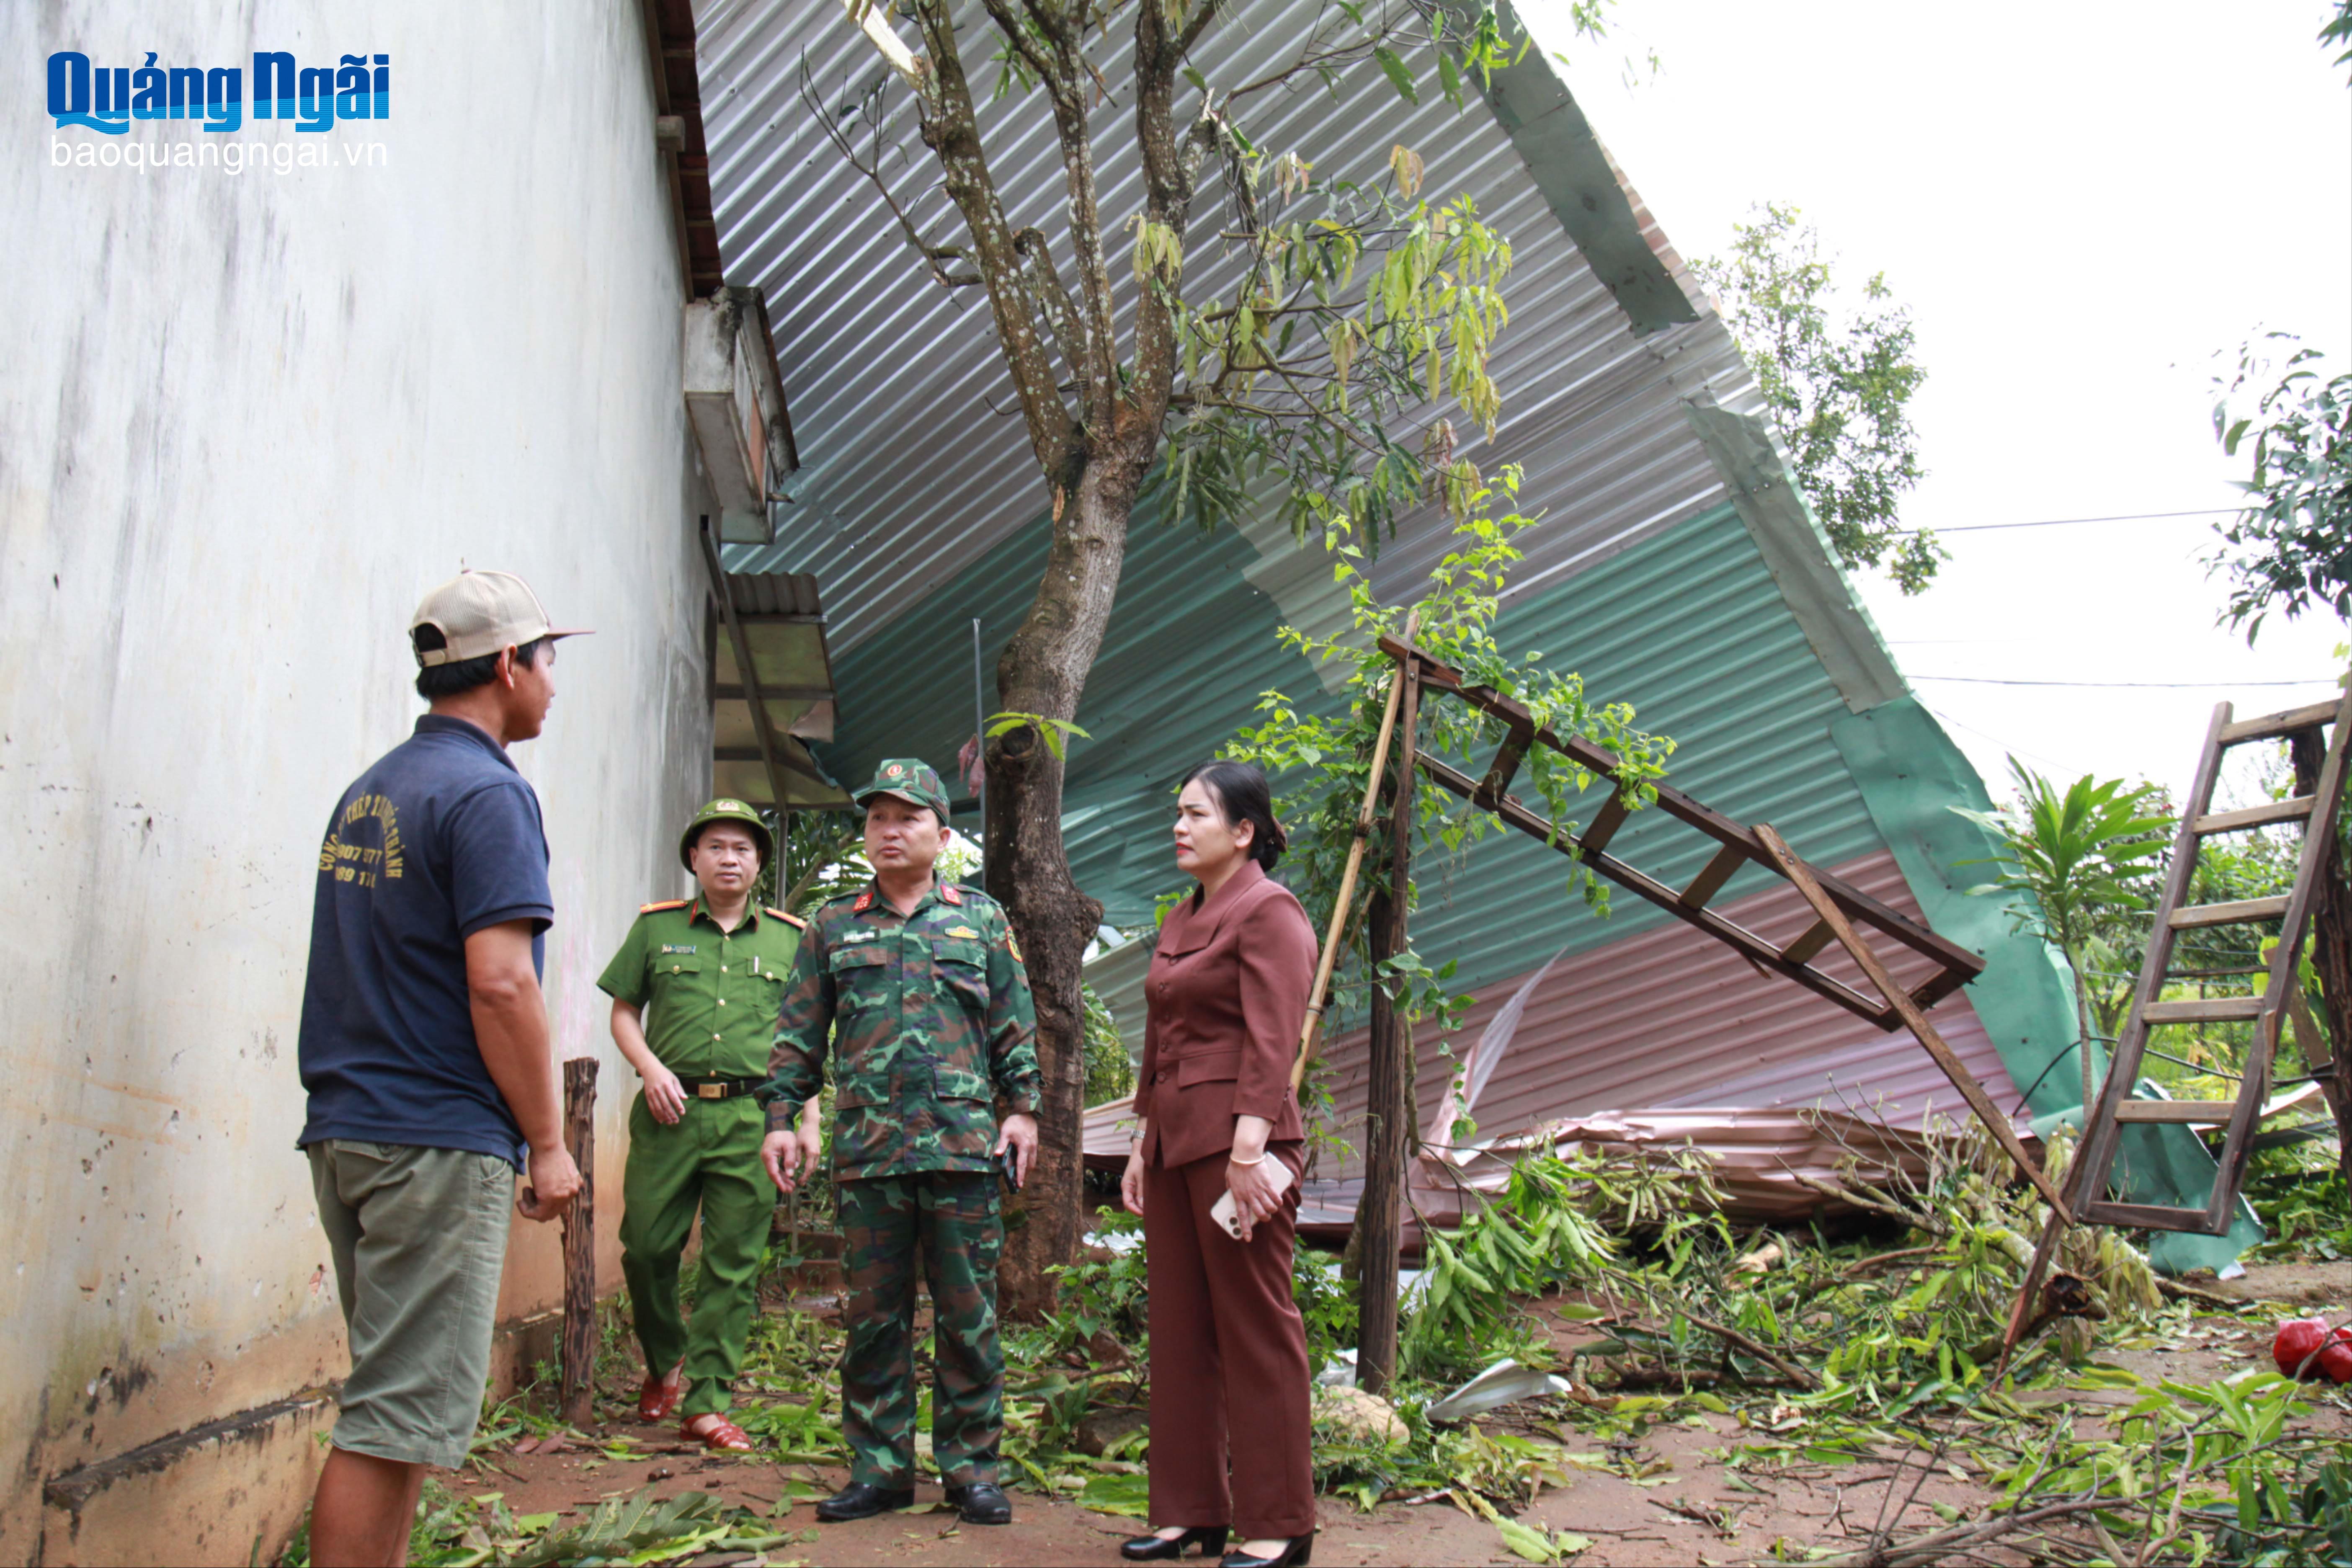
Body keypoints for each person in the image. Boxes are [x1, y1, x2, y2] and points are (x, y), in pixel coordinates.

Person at [297, 570, 588, 1568]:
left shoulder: (372, 790)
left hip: (350, 1130)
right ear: (508, 666)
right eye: (550, 661)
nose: (554, 683)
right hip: (430, 1138)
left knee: (398, 1408)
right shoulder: (490, 793)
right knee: (390, 1418)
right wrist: (548, 1144)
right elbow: (503, 985)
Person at [760, 758, 1042, 1527]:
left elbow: (1014, 1022)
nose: (889, 830)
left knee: (968, 1315)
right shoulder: (832, 924)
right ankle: (880, 1470)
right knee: (874, 1319)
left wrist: (1024, 1111)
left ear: (942, 836)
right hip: (870, 1150)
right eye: (878, 817)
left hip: (963, 1150)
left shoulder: (981, 920)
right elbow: (797, 1034)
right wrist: (782, 1119)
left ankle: (971, 1470)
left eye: (907, 817)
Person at [1119, 761, 1320, 1568]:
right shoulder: (1181, 916)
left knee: (1256, 1329)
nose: (1179, 826)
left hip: (1242, 1147)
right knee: (1179, 1331)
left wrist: (1249, 1151)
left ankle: (1279, 1523)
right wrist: (1141, 1142)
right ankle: (1190, 1512)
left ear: (1243, 831)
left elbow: (1276, 1040)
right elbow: (1159, 1035)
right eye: (1177, 813)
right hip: (1174, 1145)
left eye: (1195, 814)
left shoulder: (1269, 911)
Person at [596, 798, 825, 1450]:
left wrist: (810, 1119)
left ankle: (706, 1402)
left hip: (756, 1121)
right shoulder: (655, 929)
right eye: (717, 847)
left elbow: (803, 1037)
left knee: (733, 1264)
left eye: (744, 849)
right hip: (670, 1114)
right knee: (644, 1250)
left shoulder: (791, 938)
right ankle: (664, 1358)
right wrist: (649, 1068)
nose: (730, 858)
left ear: (759, 864)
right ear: (694, 858)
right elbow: (623, 1013)